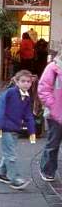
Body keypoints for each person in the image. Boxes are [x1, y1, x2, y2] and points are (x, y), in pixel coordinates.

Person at [0, 69, 36, 190]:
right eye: (23, 81)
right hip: (6, 127)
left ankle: (1, 173)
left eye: (28, 81)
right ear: (16, 82)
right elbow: (0, 109)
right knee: (10, 154)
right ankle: (15, 179)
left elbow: (28, 115)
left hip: (15, 129)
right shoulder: (10, 93)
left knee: (8, 152)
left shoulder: (27, 98)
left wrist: (32, 131)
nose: (26, 84)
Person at [38, 53, 62, 181]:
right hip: (55, 113)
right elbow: (43, 89)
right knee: (53, 143)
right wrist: (52, 106)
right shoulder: (53, 68)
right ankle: (47, 170)